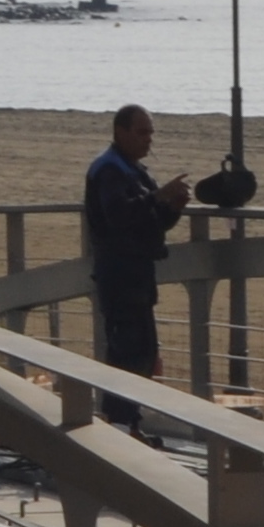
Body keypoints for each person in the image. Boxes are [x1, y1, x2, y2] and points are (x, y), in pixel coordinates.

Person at [80, 106, 192, 431]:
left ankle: (130, 423)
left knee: (143, 353)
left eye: (151, 132)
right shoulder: (109, 171)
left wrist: (172, 207)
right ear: (120, 132)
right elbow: (118, 217)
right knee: (126, 353)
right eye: (142, 132)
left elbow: (152, 222)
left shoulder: (134, 171)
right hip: (119, 276)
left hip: (139, 276)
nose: (148, 139)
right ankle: (119, 423)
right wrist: (158, 197)